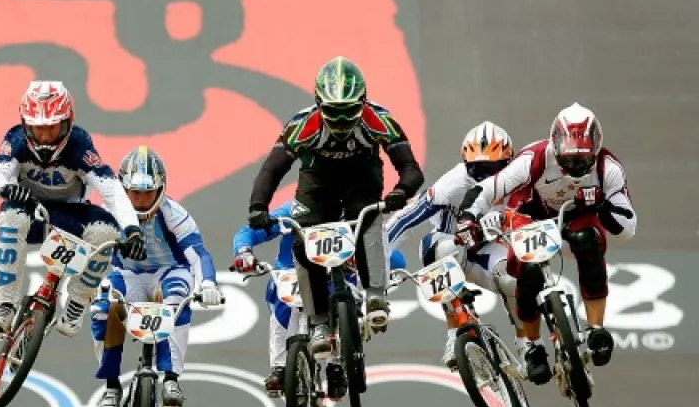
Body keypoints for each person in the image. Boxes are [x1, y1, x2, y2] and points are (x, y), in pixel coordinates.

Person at [246, 55, 424, 361]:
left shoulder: (379, 119)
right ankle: (318, 323)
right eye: (333, 112)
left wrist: (400, 191)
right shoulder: (301, 125)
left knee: (367, 219)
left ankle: (376, 296)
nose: (341, 122)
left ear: (363, 102)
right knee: (303, 243)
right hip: (318, 182)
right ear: (318, 103)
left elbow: (410, 169)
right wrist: (257, 206)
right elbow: (271, 170)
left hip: (361, 178)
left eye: (349, 112)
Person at [456, 103, 637, 384]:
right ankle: (532, 344)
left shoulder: (608, 168)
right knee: (527, 270)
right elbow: (489, 188)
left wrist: (601, 205)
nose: (575, 168)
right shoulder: (534, 158)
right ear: (555, 148)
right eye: (569, 161)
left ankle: (596, 328)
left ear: (596, 150)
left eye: (583, 161)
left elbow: (627, 228)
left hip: (578, 214)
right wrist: (468, 217)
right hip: (531, 213)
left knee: (587, 242)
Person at [0, 81, 146, 342]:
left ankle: (78, 301)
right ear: (26, 124)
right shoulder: (15, 140)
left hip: (70, 218)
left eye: (52, 128)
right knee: (10, 215)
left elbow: (112, 190)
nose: (45, 138)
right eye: (38, 128)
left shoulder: (80, 145)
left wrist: (133, 230)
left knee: (107, 231)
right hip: (32, 215)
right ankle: (3, 306)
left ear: (67, 123)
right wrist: (8, 189)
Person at [88, 146, 223, 407]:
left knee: (176, 299)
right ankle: (111, 388)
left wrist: (208, 282)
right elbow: (91, 252)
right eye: (134, 193)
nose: (140, 200)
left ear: (161, 188)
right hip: (128, 275)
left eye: (148, 192)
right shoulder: (107, 213)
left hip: (169, 271)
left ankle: (171, 379)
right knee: (102, 309)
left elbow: (198, 253)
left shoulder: (174, 213)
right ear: (123, 190)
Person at [231, 199, 407, 398]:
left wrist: (386, 264)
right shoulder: (295, 210)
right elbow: (250, 231)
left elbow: (387, 253)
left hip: (336, 277)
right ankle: (279, 367)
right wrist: (243, 251)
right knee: (278, 291)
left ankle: (337, 365)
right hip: (292, 273)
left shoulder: (354, 211)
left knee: (347, 296)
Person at [383, 121, 523, 370]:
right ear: (466, 165)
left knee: (512, 280)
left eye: (495, 169)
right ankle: (454, 333)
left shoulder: (518, 178)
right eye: (479, 170)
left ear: (509, 163)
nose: (488, 178)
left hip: (485, 251)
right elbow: (405, 219)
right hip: (451, 248)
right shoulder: (452, 184)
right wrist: (378, 254)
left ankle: (526, 344)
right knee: (444, 250)